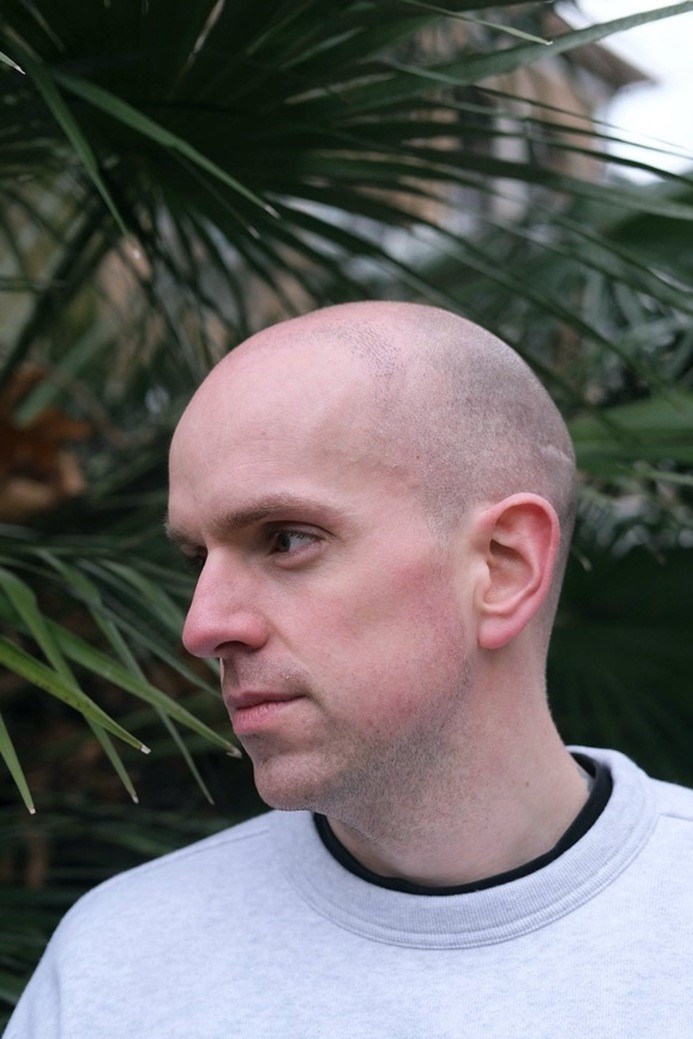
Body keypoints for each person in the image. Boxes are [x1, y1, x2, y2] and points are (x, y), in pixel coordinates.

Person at [6, 302, 692, 1038]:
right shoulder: (115, 962)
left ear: (502, 566)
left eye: (286, 538)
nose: (202, 626)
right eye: (196, 558)